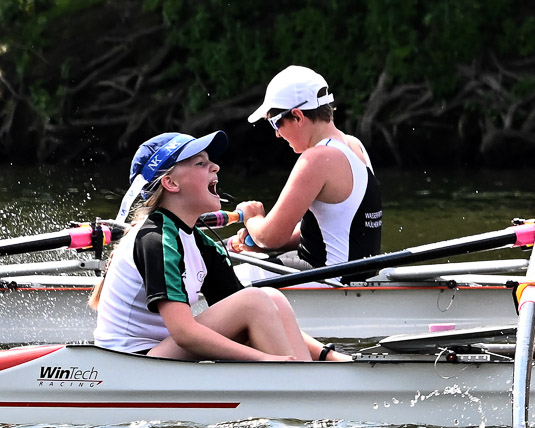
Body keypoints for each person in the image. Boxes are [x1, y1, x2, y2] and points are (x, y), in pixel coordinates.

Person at [92, 131, 343, 361]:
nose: (215, 166)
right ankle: (299, 386)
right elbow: (184, 333)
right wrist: (264, 360)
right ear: (171, 183)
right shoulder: (156, 239)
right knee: (255, 300)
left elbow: (263, 311)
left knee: (271, 297)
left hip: (159, 357)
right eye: (200, 163)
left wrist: (329, 356)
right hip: (128, 363)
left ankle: (311, 377)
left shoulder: (200, 243)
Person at [225, 66, 382, 274]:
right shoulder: (354, 145)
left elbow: (270, 236)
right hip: (354, 272)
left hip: (332, 280)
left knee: (224, 278)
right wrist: (259, 244)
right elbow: (330, 230)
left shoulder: (316, 158)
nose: (277, 135)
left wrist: (253, 218)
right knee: (255, 257)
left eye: (275, 123)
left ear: (298, 116)